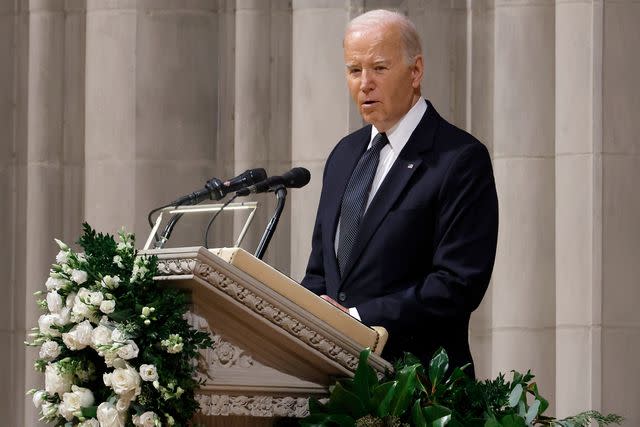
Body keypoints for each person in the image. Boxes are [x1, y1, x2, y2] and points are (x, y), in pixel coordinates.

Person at [301, 9, 498, 376]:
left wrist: (358, 321)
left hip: (419, 385)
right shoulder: (344, 155)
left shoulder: (459, 158)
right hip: (335, 384)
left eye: (378, 67)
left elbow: (457, 284)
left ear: (416, 71)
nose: (365, 83)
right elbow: (320, 273)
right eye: (354, 70)